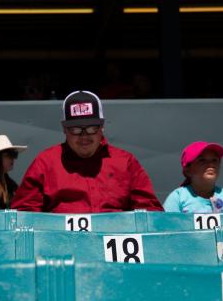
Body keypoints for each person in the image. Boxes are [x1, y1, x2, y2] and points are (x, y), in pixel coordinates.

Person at [10, 90, 162, 212]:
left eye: (91, 128)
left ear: (102, 127)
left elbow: (149, 211)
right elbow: (24, 214)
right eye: (75, 129)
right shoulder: (45, 163)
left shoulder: (126, 162)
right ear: (64, 129)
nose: (84, 136)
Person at [163, 141, 223, 213]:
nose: (211, 164)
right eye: (202, 160)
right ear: (187, 170)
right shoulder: (177, 197)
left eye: (214, 160)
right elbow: (167, 226)